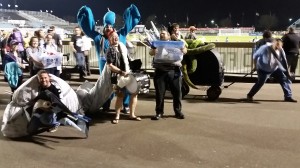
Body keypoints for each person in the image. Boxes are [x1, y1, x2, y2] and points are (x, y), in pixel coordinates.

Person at [77, 4, 141, 113]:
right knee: (106, 86)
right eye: (106, 26)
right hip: (106, 67)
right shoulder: (98, 38)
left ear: (113, 28)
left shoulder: (121, 35)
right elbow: (89, 29)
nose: (108, 28)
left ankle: (125, 105)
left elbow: (129, 25)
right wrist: (86, 12)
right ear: (104, 28)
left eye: (110, 26)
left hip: (121, 66)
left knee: (124, 84)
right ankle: (105, 103)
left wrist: (131, 11)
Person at [149, 30, 187, 120]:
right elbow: (151, 53)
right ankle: (159, 112)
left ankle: (178, 111)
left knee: (177, 93)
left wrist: (183, 50)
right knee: (160, 93)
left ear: (169, 36)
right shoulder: (156, 44)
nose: (161, 34)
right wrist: (153, 51)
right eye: (161, 33)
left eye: (163, 33)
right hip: (160, 71)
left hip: (174, 70)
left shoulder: (177, 43)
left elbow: (185, 50)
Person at [106, 32, 141, 124]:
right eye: (113, 37)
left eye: (116, 37)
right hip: (117, 76)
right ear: (109, 39)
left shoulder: (122, 46)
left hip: (128, 73)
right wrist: (121, 72)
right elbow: (110, 65)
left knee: (134, 93)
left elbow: (128, 59)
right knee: (120, 96)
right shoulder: (109, 50)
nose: (115, 38)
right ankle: (117, 116)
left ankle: (132, 114)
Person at [247, 38, 297, 102]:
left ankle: (288, 96)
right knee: (260, 83)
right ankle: (250, 95)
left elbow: (284, 61)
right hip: (263, 69)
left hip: (275, 69)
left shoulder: (280, 49)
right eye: (276, 46)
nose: (277, 48)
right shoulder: (264, 48)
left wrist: (287, 73)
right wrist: (255, 66)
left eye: (279, 46)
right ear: (273, 44)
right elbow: (255, 56)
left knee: (283, 80)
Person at [27, 70, 62, 135]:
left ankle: (54, 123)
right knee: (30, 130)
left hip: (50, 113)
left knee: (46, 121)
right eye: (41, 78)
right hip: (39, 111)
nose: (43, 80)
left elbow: (58, 106)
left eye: (45, 78)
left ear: (49, 78)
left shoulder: (54, 90)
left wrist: (48, 110)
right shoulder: (39, 88)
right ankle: (40, 124)